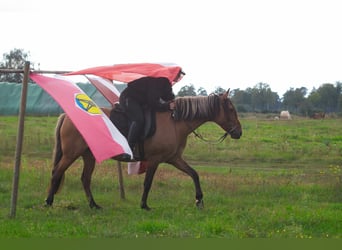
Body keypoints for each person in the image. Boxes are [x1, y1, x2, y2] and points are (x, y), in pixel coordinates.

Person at [119, 76, 176, 151]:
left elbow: (168, 95)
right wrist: (167, 106)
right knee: (138, 120)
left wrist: (173, 101)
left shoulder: (165, 81)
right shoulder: (155, 82)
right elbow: (153, 102)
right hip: (129, 99)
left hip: (141, 101)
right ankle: (129, 148)